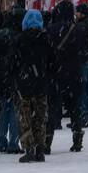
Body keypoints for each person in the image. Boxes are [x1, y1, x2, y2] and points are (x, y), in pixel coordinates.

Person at [11, 8, 55, 163]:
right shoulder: (46, 39)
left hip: (24, 86)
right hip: (41, 84)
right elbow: (52, 63)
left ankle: (29, 149)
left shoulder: (20, 40)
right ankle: (40, 150)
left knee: (25, 119)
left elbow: (13, 64)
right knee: (40, 118)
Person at [48, 0, 88, 152]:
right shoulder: (79, 29)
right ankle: (77, 138)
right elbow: (85, 48)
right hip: (74, 71)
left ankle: (47, 140)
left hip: (56, 72)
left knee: (53, 107)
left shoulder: (52, 29)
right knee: (75, 107)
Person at [0, 9, 22, 154]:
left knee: (4, 109)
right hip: (13, 76)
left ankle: (1, 141)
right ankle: (13, 142)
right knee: (15, 108)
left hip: (0, 76)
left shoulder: (0, 34)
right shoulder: (17, 35)